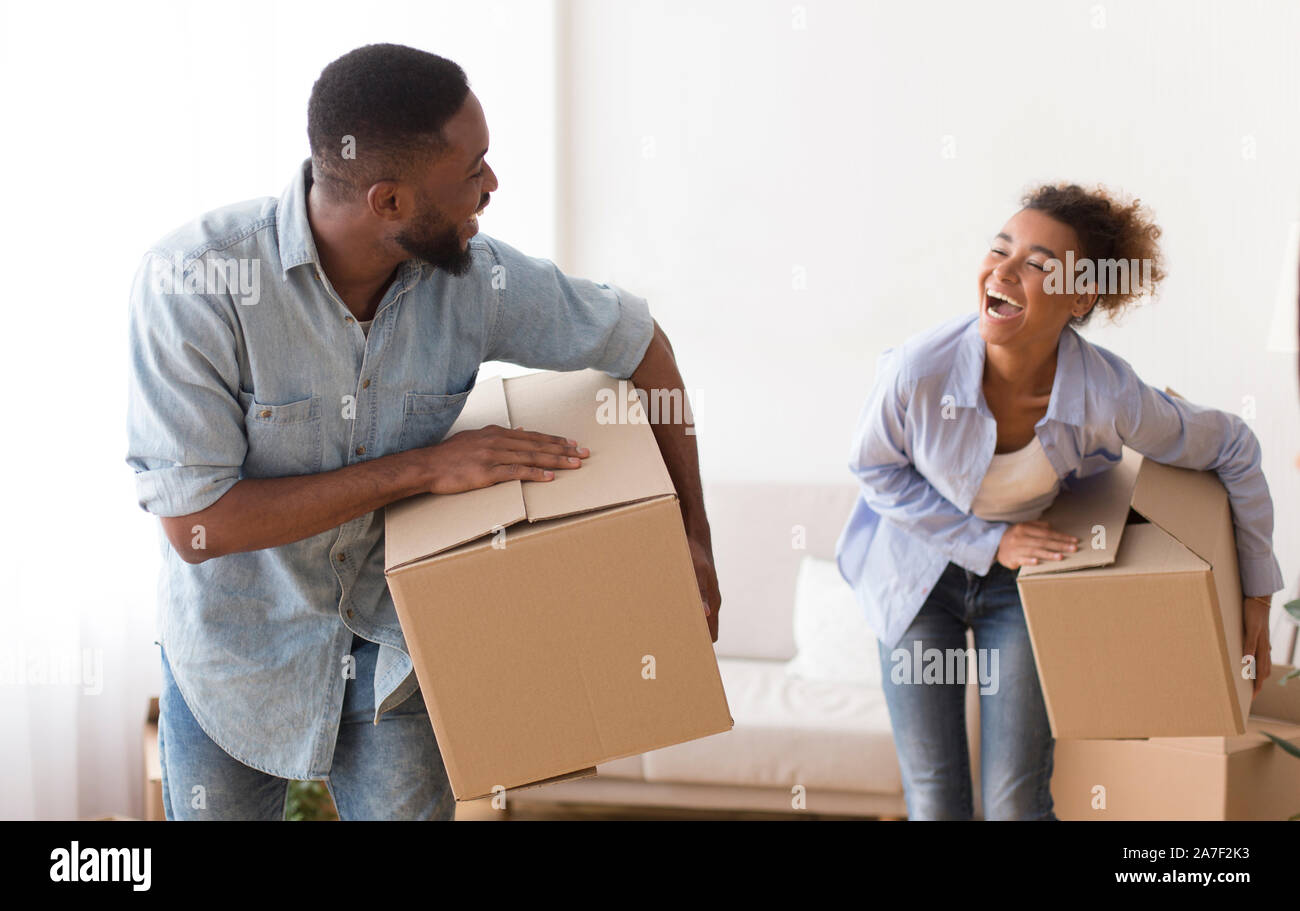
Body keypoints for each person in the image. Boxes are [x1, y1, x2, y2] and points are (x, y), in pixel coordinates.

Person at [125, 44, 720, 821]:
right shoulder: (197, 285)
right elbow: (200, 523)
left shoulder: (476, 281)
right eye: (473, 170)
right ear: (389, 202)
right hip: (235, 656)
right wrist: (424, 468)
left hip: (392, 651)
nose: (492, 184)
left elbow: (643, 343)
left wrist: (692, 534)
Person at [836, 183, 1283, 820]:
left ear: (1081, 297)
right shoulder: (917, 369)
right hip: (916, 579)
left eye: (1040, 264)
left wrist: (1257, 598)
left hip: (1023, 588)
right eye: (1000, 249)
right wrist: (989, 541)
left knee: (1015, 804)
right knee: (935, 801)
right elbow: (875, 472)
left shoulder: (1110, 394)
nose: (1006, 270)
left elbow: (1233, 447)